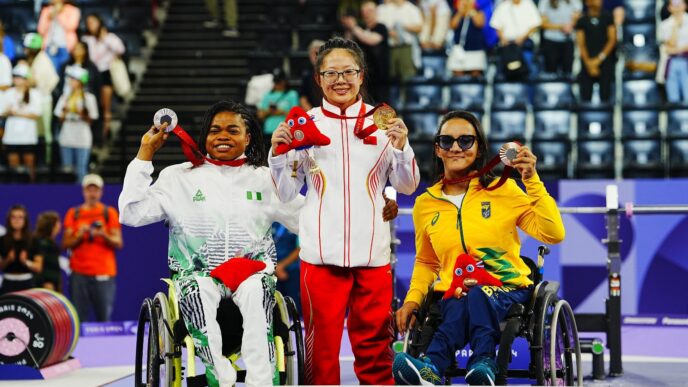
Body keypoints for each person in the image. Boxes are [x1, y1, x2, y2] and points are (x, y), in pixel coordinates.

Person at [119, 100, 304, 386]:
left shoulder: (267, 179)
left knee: (257, 289)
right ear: (205, 136)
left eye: (233, 130)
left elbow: (309, 219)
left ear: (248, 137)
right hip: (197, 274)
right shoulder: (178, 177)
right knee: (197, 288)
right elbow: (131, 213)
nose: (223, 136)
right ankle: (218, 374)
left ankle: (262, 381)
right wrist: (146, 153)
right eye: (215, 130)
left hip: (252, 273)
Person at [269, 37, 420, 385]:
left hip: (373, 253)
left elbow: (408, 184)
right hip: (321, 255)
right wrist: (278, 155)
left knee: (376, 348)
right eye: (331, 72)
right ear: (319, 78)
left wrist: (401, 146)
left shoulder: (385, 123)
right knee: (321, 352)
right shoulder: (304, 124)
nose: (340, 80)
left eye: (348, 71)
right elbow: (287, 191)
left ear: (361, 75)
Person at [392, 110, 565, 385]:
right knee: (461, 298)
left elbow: (553, 233)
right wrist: (413, 300)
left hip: (507, 288)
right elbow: (427, 262)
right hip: (455, 292)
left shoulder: (503, 189)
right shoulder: (425, 204)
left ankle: (483, 360)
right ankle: (431, 370)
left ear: (480, 148)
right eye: (447, 141)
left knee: (477, 294)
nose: (456, 148)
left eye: (466, 141)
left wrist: (531, 179)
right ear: (437, 149)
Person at [62, 174, 122, 322]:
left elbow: (118, 242)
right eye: (89, 190)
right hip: (79, 273)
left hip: (103, 273)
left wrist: (103, 234)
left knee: (104, 318)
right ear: (84, 191)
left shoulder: (110, 213)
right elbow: (65, 243)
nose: (92, 194)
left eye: (95, 190)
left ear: (101, 192)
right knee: (78, 319)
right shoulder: (73, 213)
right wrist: (79, 234)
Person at [82, 14, 125, 140]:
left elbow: (121, 49)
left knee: (105, 107)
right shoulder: (87, 39)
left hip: (106, 73)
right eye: (88, 23)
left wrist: (104, 38)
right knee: (92, 105)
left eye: (93, 22)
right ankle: (94, 135)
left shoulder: (109, 37)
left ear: (100, 22)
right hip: (92, 75)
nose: (91, 25)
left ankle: (106, 132)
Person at [54, 66, 99, 182]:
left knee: (81, 170)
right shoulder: (65, 97)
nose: (70, 82)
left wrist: (83, 114)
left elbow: (92, 119)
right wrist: (65, 112)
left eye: (73, 79)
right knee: (67, 170)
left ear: (80, 81)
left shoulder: (89, 98)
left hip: (82, 137)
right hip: (66, 136)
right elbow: (59, 117)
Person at [342, 0, 390, 103]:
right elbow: (348, 44)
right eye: (364, 11)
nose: (367, 14)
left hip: (380, 77)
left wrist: (354, 27)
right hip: (363, 76)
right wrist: (349, 28)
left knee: (381, 107)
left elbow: (371, 40)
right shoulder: (360, 28)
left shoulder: (381, 27)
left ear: (376, 11)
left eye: (370, 11)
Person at [22, 33, 59, 164]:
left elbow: (38, 82)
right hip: (36, 99)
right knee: (37, 133)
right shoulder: (35, 60)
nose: (24, 50)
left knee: (46, 132)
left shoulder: (42, 60)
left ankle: (48, 162)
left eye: (27, 47)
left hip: (44, 100)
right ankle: (40, 159)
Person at [1, 64, 42, 181]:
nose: (17, 79)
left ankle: (31, 190)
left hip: (28, 136)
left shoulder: (34, 94)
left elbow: (36, 114)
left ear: (26, 79)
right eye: (15, 76)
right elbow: (2, 111)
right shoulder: (8, 93)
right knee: (14, 167)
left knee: (29, 167)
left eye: (20, 77)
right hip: (12, 136)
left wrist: (16, 113)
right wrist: (8, 112)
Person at [576, 0, 616, 103]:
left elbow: (612, 39)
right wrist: (589, 63)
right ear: (587, 2)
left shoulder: (608, 17)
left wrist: (599, 59)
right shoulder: (582, 20)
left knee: (606, 98)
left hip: (605, 63)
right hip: (587, 64)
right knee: (585, 98)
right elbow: (581, 43)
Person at [490, 0, 542, 80]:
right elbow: (496, 25)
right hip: (507, 45)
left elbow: (535, 25)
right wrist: (503, 39)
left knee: (528, 70)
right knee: (503, 72)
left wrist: (522, 38)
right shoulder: (503, 6)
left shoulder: (528, 4)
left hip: (524, 44)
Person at [377, 0, 423, 82]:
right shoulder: (384, 8)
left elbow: (419, 27)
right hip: (389, 48)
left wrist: (402, 27)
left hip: (406, 48)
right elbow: (379, 25)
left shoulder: (411, 8)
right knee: (390, 78)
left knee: (407, 78)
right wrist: (389, 32)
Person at [0, 205, 42, 294]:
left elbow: (38, 267)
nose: (17, 220)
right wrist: (8, 259)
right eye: (13, 217)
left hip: (26, 282)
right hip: (8, 282)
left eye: (20, 217)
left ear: (25, 220)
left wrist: (26, 262)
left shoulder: (33, 240)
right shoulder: (2, 240)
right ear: (9, 220)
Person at [257, 69, 299, 151]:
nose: (278, 84)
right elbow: (260, 115)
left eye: (280, 81)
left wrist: (281, 112)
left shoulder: (292, 94)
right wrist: (270, 111)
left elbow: (296, 115)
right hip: (269, 130)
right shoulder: (268, 95)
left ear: (285, 81)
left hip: (286, 132)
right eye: (276, 82)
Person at [448, 0, 491, 77]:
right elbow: (452, 25)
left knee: (475, 74)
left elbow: (480, 24)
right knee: (457, 74)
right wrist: (460, 13)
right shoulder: (456, 11)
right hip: (459, 49)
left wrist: (471, 11)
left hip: (475, 48)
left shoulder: (479, 11)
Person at [539, 0, 582, 75]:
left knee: (568, 73)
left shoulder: (574, 1)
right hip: (550, 40)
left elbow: (577, 16)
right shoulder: (544, 1)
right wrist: (561, 27)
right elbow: (542, 23)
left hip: (568, 41)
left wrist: (571, 25)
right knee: (550, 73)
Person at [37, 0, 81, 71]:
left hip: (66, 48)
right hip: (49, 47)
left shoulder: (73, 10)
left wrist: (59, 13)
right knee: (51, 71)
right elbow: (41, 30)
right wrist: (49, 18)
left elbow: (71, 26)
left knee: (63, 71)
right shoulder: (46, 11)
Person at [659, 0, 688, 104]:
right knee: (673, 100)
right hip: (671, 63)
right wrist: (675, 27)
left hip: (686, 61)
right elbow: (670, 44)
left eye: (680, 3)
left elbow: (670, 49)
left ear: (685, 5)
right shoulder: (665, 24)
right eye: (674, 4)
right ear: (669, 7)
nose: (677, 6)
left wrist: (674, 50)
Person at [34, 211, 62, 291]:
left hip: (53, 283)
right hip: (46, 286)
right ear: (52, 225)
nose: (60, 225)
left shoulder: (50, 242)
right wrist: (47, 283)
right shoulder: (43, 243)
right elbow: (43, 266)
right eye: (58, 222)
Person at [299, 40, 325, 111]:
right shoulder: (306, 75)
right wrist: (313, 115)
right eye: (314, 53)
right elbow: (303, 99)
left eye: (319, 53)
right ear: (309, 55)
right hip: (313, 114)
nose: (316, 56)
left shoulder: (333, 73)